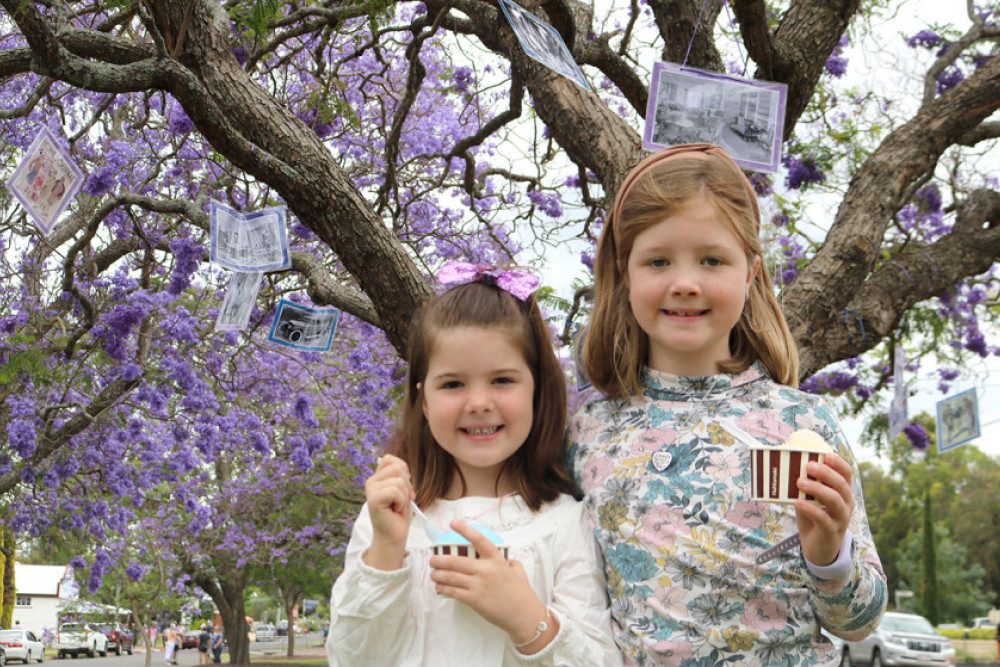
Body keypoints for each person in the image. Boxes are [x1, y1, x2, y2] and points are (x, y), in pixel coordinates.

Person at [568, 143, 888, 665]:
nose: (685, 283)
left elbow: (859, 622)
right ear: (625, 273)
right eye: (658, 261)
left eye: (712, 259)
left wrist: (829, 553)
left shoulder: (804, 423)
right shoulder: (586, 432)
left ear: (751, 272)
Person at [327, 262, 620, 666]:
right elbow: (353, 658)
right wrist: (386, 551)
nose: (479, 402)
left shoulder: (565, 523)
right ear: (424, 400)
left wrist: (526, 617)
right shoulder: (393, 520)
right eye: (453, 384)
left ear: (537, 391)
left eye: (502, 380)